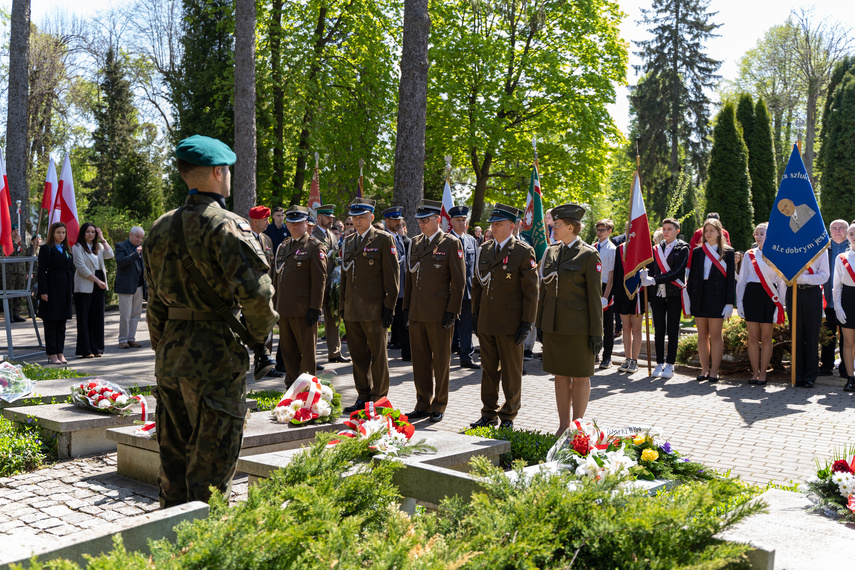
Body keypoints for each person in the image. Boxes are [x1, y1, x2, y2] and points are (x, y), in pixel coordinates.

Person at [143, 135, 277, 508]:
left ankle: (170, 551)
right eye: (228, 169)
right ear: (218, 173)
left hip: (170, 357)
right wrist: (257, 338)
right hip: (216, 358)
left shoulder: (158, 228)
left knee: (173, 465)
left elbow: (154, 302)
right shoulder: (228, 226)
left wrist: (165, 347)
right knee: (212, 474)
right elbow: (259, 297)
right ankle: (205, 552)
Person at [469, 204, 537, 429]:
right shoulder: (485, 249)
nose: (493, 228)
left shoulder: (522, 251)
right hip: (487, 321)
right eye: (492, 224)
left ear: (512, 226)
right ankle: (488, 412)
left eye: (498, 224)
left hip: (511, 323)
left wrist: (527, 322)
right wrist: (475, 315)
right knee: (488, 371)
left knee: (511, 372)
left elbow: (531, 291)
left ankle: (508, 414)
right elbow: (478, 284)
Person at [537, 204, 602, 437]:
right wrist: (540, 323)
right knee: (560, 376)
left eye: (558, 225)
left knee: (581, 376)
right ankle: (563, 425)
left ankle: (577, 427)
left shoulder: (588, 254)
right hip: (554, 326)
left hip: (579, 328)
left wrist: (597, 332)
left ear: (571, 227)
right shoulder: (552, 252)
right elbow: (543, 291)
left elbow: (594, 297)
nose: (553, 228)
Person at [404, 200, 465, 422]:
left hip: (440, 313)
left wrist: (453, 310)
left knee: (440, 361)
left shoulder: (450, 243)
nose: (421, 224)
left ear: (437, 219)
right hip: (418, 312)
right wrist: (407, 307)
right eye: (419, 220)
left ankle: (439, 404)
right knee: (419, 360)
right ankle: (422, 403)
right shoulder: (415, 243)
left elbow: (458, 282)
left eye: (426, 220)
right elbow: (410, 278)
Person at [340, 198, 399, 412]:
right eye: (354, 218)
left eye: (362, 217)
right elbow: (346, 276)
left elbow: (392, 278)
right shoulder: (348, 241)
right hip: (352, 309)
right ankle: (363, 395)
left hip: (374, 310)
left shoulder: (383, 239)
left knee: (379, 355)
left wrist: (389, 308)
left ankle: (378, 397)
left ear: (372, 217)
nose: (357, 221)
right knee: (358, 356)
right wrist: (342, 305)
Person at [273, 206, 327, 385]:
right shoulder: (283, 246)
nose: (295, 226)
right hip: (284, 310)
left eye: (299, 223)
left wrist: (315, 308)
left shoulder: (314, 247)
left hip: (304, 311)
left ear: (306, 224)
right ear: (287, 224)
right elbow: (277, 280)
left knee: (306, 355)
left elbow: (319, 281)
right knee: (288, 354)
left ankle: (307, 392)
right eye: (291, 223)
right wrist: (274, 307)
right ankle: (291, 390)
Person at [736, 223, 786, 386]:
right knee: (753, 337)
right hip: (752, 295)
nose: (758, 236)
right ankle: (754, 372)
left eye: (762, 233)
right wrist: (740, 303)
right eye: (756, 233)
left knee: (766, 338)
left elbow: (781, 282)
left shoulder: (778, 255)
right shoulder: (750, 255)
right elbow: (742, 280)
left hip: (769, 297)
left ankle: (763, 373)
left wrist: (780, 305)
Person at [687, 218, 736, 382]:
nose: (708, 234)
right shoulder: (697, 252)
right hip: (700, 296)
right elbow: (692, 278)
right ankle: (704, 370)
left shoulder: (728, 253)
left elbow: (730, 280)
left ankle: (715, 371)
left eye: (711, 231)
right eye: (705, 231)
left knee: (715, 335)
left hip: (718, 297)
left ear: (719, 233)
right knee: (702, 335)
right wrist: (689, 300)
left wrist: (730, 302)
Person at [640, 218, 689, 379]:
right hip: (657, 294)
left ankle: (670, 364)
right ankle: (659, 362)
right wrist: (646, 274)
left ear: (677, 231)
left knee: (673, 329)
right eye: (664, 229)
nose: (666, 231)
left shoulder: (683, 248)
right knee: (659, 329)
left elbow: (676, 272)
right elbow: (652, 268)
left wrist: (654, 279)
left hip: (674, 293)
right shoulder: (655, 249)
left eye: (669, 229)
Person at [783, 231, 830, 389]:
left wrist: (802, 278)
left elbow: (824, 276)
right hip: (793, 293)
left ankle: (810, 376)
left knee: (811, 335)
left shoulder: (820, 250)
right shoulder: (789, 249)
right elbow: (784, 273)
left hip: (812, 293)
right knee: (796, 334)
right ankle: (797, 374)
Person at [72, 223, 114, 358]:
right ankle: (86, 349)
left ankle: (97, 348)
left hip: (99, 282)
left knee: (97, 317)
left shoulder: (99, 246)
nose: (90, 234)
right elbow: (81, 268)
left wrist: (102, 238)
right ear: (83, 233)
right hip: (86, 283)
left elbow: (110, 255)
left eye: (93, 232)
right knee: (84, 317)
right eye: (88, 232)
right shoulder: (77, 247)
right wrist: (97, 281)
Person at [315, 203, 350, 364]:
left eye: (331, 217)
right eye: (327, 217)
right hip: (317, 282)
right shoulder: (313, 234)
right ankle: (311, 355)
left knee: (333, 318)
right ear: (319, 217)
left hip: (331, 283)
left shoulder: (332, 235)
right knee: (315, 321)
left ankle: (334, 352)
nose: (330, 220)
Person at [38, 222, 75, 365]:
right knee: (51, 323)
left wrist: (71, 290)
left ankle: (60, 352)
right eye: (58, 232)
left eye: (63, 233)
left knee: (61, 324)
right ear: (52, 233)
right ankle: (52, 353)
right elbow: (41, 271)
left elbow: (70, 271)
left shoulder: (66, 249)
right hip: (51, 289)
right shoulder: (46, 249)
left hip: (64, 290)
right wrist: (43, 291)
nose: (61, 235)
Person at [449, 205, 480, 369]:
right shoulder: (445, 240)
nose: (461, 223)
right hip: (449, 293)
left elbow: (474, 268)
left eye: (463, 220)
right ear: (451, 222)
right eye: (458, 220)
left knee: (467, 326)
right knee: (447, 326)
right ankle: (443, 356)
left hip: (468, 292)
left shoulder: (471, 241)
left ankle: (466, 357)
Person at [821, 219, 850, 378]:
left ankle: (846, 368)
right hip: (827, 300)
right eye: (834, 228)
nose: (837, 231)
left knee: (846, 336)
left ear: (846, 231)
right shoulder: (823, 249)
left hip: (846, 300)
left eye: (841, 228)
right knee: (828, 335)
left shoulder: (851, 248)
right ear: (829, 231)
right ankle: (826, 366)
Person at [382, 206, 411, 361]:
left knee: (402, 321)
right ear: (387, 221)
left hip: (401, 287)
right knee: (392, 322)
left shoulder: (399, 238)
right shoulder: (384, 238)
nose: (398, 222)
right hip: (389, 288)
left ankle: (408, 352)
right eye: (395, 219)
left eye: (399, 219)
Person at [613, 236, 643, 373]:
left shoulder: (644, 248)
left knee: (636, 328)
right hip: (621, 291)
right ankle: (628, 359)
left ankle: (635, 360)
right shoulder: (620, 248)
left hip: (638, 292)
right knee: (626, 327)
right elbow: (617, 271)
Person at [114, 227, 146, 349]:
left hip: (139, 285)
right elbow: (121, 262)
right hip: (126, 286)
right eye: (138, 237)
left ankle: (131, 338)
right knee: (125, 315)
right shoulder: (121, 246)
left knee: (136, 314)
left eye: (142, 238)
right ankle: (123, 340)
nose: (140, 240)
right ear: (130, 235)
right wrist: (135, 254)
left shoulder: (141, 249)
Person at [832, 222, 855, 393]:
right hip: (848, 300)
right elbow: (837, 285)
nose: (854, 237)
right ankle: (850, 378)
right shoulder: (842, 258)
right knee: (848, 342)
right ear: (848, 236)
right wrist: (838, 307)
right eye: (852, 234)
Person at [594, 219, 617, 368]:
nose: (599, 232)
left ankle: (607, 356)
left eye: (602, 230)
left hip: (605, 287)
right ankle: (594, 352)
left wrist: (606, 296)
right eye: (598, 229)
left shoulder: (611, 249)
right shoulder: (593, 247)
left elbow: (611, 274)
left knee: (608, 325)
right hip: (593, 285)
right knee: (594, 323)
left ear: (609, 231)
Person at [5, 225, 40, 321]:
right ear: (10, 232)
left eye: (17, 230)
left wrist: (29, 272)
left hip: (21, 272)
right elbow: (9, 254)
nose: (16, 233)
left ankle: (16, 313)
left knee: (19, 293)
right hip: (10, 272)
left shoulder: (23, 244)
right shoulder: (7, 244)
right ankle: (10, 314)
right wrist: (15, 243)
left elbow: (28, 259)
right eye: (14, 231)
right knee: (10, 294)